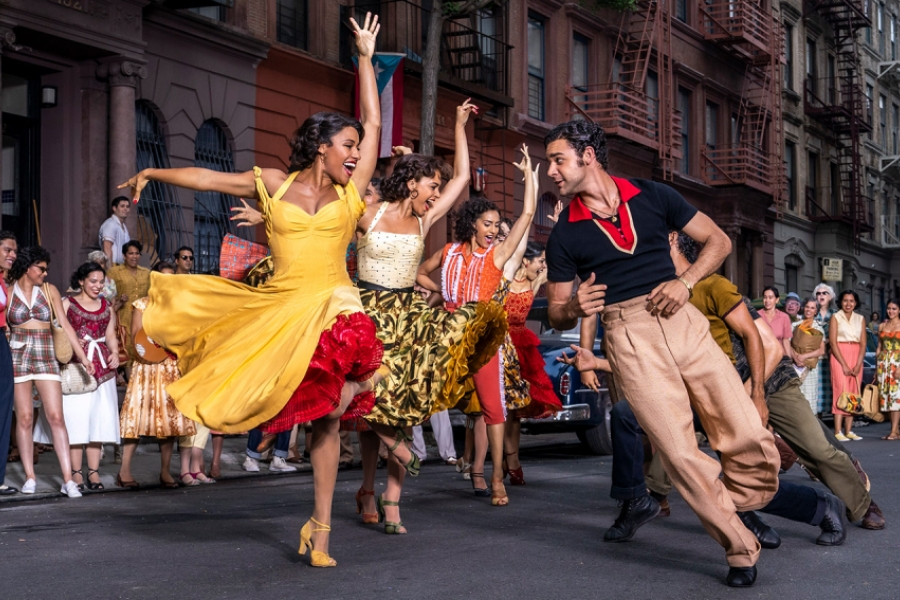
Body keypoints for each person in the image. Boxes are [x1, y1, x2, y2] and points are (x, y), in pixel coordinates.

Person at [118, 13, 383, 567]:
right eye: (347, 145)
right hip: (283, 307)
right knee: (297, 407)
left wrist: (364, 56)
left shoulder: (354, 192)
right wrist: (152, 174)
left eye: (358, 146)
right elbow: (208, 178)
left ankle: (323, 528)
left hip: (335, 303)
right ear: (322, 149)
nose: (357, 153)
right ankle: (286, 465)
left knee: (334, 409)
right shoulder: (272, 183)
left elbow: (376, 124)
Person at [542, 119, 778, 587]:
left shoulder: (653, 196)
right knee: (677, 450)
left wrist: (686, 282)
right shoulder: (565, 235)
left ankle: (742, 502)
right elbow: (556, 312)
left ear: (588, 156)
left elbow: (719, 240)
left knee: (747, 431)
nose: (551, 170)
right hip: (628, 336)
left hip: (682, 319)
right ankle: (739, 547)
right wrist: (572, 306)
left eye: (557, 159)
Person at [417, 144, 539, 508]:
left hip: (484, 341)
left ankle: (496, 477)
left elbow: (529, 213)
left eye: (497, 225)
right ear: (472, 224)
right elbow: (418, 273)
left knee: (492, 410)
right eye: (487, 224)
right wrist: (443, 293)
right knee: (415, 390)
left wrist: (529, 178)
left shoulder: (498, 255)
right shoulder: (450, 252)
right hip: (450, 338)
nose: (494, 230)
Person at [8, 246, 95, 498]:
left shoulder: (50, 290)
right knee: (23, 418)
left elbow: (66, 326)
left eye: (46, 269)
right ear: (28, 268)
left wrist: (83, 357)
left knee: (56, 417)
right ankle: (30, 476)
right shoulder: (9, 289)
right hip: (18, 356)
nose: (46, 273)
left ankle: (68, 479)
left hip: (46, 354)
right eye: (42, 268)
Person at [117, 261, 195, 488]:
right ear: (155, 279)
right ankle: (124, 471)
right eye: (164, 277)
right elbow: (135, 336)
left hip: (171, 367)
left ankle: (165, 472)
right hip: (146, 366)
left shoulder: (181, 307)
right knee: (137, 418)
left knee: (169, 421)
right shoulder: (141, 304)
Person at [44, 262, 121, 491]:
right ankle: (76, 474)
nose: (98, 286)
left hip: (102, 370)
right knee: (76, 423)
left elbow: (110, 335)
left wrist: (115, 352)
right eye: (93, 281)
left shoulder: (107, 306)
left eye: (101, 281)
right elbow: (57, 333)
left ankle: (94, 474)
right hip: (76, 371)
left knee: (97, 423)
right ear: (81, 281)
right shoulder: (68, 303)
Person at [503, 241, 561, 484]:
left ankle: (513, 460)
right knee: (501, 409)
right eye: (540, 261)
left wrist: (560, 232)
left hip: (523, 348)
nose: (542, 266)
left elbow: (558, 267)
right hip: (502, 344)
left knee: (516, 411)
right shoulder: (503, 279)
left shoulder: (534, 281)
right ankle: (503, 460)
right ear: (525, 260)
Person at [830, 290, 866, 441]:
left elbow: (863, 343)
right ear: (841, 302)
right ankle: (838, 431)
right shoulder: (835, 317)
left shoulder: (861, 318)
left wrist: (858, 364)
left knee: (853, 392)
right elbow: (832, 342)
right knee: (840, 389)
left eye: (851, 301)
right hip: (840, 353)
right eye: (845, 300)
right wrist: (843, 364)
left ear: (856, 303)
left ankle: (849, 430)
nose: (848, 303)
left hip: (856, 353)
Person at [107, 240, 151, 360]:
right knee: (126, 351)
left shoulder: (147, 273)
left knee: (142, 347)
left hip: (143, 318)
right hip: (123, 318)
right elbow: (107, 295)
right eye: (131, 253)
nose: (134, 256)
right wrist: (118, 301)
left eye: (137, 253)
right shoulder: (114, 272)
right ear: (124, 255)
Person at [0, 231, 18, 494]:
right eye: (7, 250)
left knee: (4, 408)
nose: (12, 255)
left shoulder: (3, 282)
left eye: (14, 251)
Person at [791, 298, 826, 414]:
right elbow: (787, 344)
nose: (809, 310)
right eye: (807, 307)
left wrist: (804, 356)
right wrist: (796, 357)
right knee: (794, 398)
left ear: (816, 311)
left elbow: (821, 350)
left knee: (809, 399)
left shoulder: (818, 328)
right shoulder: (795, 325)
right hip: (794, 366)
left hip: (809, 369)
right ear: (803, 308)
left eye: (812, 308)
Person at [876, 298, 900, 440]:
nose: (890, 311)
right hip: (883, 364)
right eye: (889, 308)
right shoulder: (881, 326)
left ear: (899, 310)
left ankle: (893, 431)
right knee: (887, 398)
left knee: (896, 397)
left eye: (894, 309)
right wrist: (876, 368)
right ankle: (895, 430)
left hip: (897, 363)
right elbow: (879, 346)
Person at [814, 283, 836, 415]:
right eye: (818, 293)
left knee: (832, 388)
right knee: (815, 390)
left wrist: (828, 341)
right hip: (815, 357)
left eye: (824, 293)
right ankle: (818, 421)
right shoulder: (811, 312)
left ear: (831, 296)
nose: (821, 296)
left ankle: (836, 426)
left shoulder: (835, 314)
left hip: (831, 357)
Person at [99, 196, 131, 265]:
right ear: (114, 208)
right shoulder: (110, 224)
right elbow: (107, 248)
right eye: (122, 206)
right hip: (113, 265)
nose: (125, 209)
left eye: (127, 207)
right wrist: (109, 270)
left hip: (123, 266)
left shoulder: (124, 226)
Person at [759, 286, 791, 356]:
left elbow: (785, 340)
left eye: (770, 298)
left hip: (779, 356)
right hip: (761, 355)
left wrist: (789, 359)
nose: (767, 300)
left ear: (776, 300)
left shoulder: (784, 317)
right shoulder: (756, 316)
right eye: (765, 297)